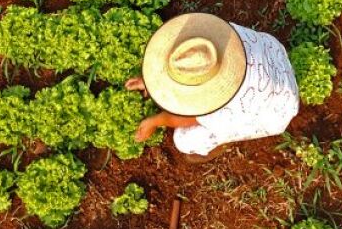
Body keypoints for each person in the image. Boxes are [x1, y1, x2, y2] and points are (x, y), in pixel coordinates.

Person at [126, 12, 299, 160]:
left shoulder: (221, 105)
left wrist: (155, 121)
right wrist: (150, 81)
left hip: (277, 111)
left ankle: (217, 144)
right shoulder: (216, 39)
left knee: (183, 141)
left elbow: (187, 119)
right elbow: (191, 61)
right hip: (274, 56)